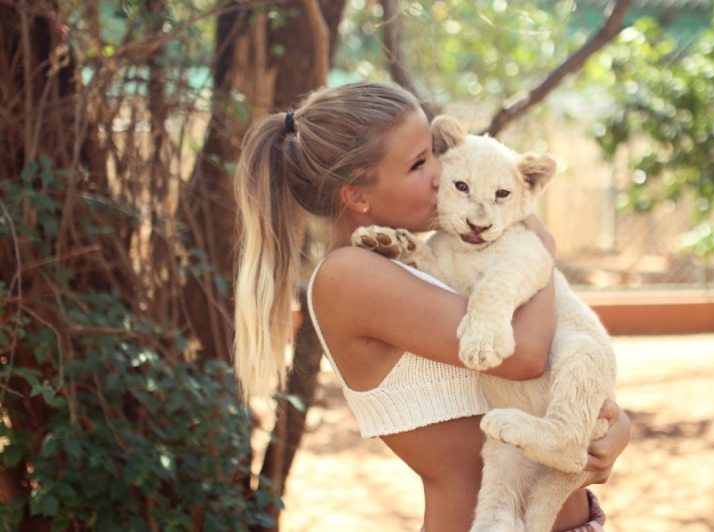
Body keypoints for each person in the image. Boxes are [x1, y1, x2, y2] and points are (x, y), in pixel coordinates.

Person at [233, 81, 630, 532]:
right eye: (420, 163)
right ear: (357, 196)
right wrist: (538, 245)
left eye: (435, 154)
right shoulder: (349, 276)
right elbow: (525, 355)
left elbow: (553, 364)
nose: (441, 173)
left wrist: (612, 424)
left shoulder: (422, 261)